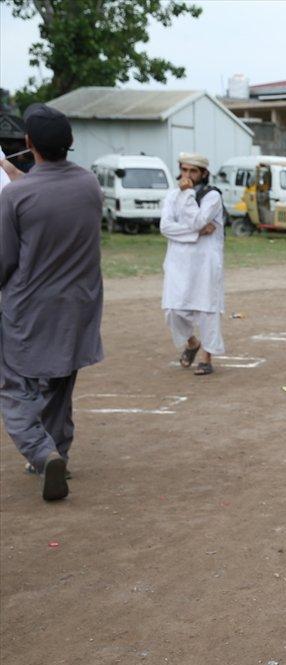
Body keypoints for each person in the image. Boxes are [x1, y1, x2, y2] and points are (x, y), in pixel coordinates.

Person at [0, 104, 104, 502]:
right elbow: (46, 192)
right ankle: (58, 450)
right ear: (71, 143)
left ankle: (42, 453)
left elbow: (5, 260)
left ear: (27, 144)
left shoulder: (15, 197)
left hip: (29, 311)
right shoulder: (89, 185)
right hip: (79, 308)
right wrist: (14, 177)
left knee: (14, 387)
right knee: (59, 382)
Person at [160, 152, 225, 376]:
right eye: (184, 170)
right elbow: (165, 227)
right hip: (178, 261)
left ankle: (207, 357)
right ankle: (191, 343)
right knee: (173, 310)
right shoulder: (171, 195)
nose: (187, 175)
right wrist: (196, 233)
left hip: (205, 262)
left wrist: (187, 195)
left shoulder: (212, 196)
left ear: (203, 173)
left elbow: (198, 219)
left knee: (207, 309)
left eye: (193, 171)